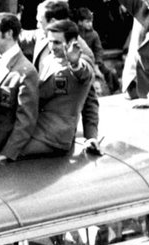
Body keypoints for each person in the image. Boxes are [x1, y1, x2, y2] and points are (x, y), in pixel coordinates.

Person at [11, 19, 97, 159]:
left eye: (57, 42)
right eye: (50, 41)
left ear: (72, 42)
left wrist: (74, 63)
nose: (52, 47)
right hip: (36, 126)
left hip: (55, 136)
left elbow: (84, 74)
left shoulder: (81, 62)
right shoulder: (48, 60)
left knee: (13, 152)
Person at [0, 13, 40, 163]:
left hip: (1, 149)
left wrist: (8, 153)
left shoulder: (26, 72)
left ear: (9, 34)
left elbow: (26, 120)